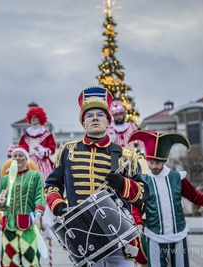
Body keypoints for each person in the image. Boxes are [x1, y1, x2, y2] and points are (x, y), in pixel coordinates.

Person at [44, 86, 149, 267]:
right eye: (88, 115)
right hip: (82, 237)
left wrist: (123, 184)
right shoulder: (67, 151)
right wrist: (58, 206)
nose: (94, 118)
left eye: (100, 115)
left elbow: (143, 193)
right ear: (83, 123)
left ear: (108, 122)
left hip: (118, 236)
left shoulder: (125, 155)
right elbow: (52, 185)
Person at [128, 130, 203, 267]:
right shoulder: (143, 182)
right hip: (154, 236)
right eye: (151, 163)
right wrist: (137, 222)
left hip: (179, 236)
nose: (154, 166)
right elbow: (136, 206)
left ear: (164, 161)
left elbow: (195, 196)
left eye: (157, 163)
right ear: (147, 160)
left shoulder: (178, 178)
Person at [0, 145, 45, 267]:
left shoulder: (35, 176)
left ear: (26, 158)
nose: (17, 158)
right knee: (9, 260)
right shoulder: (4, 179)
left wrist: (38, 214)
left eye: (20, 156)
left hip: (28, 223)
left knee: (31, 259)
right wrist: (1, 199)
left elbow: (40, 196)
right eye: (15, 156)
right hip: (8, 224)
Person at [18, 106, 56, 239]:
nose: (34, 120)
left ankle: (47, 224)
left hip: (43, 164)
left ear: (40, 118)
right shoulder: (26, 135)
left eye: (36, 117)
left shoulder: (46, 134)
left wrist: (42, 150)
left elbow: (52, 149)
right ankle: (29, 224)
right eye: (32, 117)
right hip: (30, 163)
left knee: (45, 193)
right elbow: (21, 149)